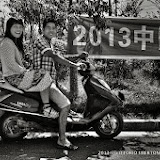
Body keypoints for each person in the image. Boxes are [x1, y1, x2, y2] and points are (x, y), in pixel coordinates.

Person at [33, 18, 87, 150]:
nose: (51, 30)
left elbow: (61, 57)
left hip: (49, 80)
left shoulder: (50, 43)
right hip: (42, 80)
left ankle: (56, 120)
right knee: (66, 105)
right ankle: (62, 139)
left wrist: (78, 57)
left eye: (53, 28)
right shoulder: (40, 41)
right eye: (48, 27)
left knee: (69, 96)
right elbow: (55, 57)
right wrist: (74, 65)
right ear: (43, 29)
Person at [0, 17, 52, 109]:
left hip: (16, 75)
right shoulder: (6, 43)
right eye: (15, 27)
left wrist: (29, 69)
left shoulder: (12, 42)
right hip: (13, 77)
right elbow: (11, 64)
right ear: (9, 28)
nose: (18, 30)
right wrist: (25, 72)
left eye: (20, 27)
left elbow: (19, 62)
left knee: (43, 74)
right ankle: (46, 107)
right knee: (45, 76)